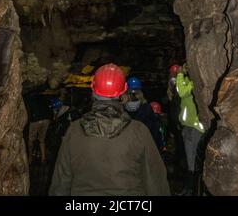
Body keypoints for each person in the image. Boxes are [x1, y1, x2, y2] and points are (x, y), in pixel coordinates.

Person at [49, 63, 170, 196]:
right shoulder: (139, 131)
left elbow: (61, 184)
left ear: (93, 90)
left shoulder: (74, 131)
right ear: (123, 93)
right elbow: (155, 181)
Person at [176, 63, 205, 195]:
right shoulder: (188, 82)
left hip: (195, 127)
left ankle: (193, 190)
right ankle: (189, 188)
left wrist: (180, 74)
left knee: (193, 161)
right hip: (188, 126)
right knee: (190, 161)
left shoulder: (194, 84)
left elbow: (181, 92)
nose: (186, 69)